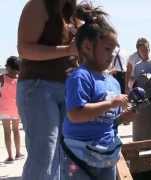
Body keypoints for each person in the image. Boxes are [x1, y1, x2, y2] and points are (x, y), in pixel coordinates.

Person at [62, 4, 136, 180]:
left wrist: (128, 115)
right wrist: (111, 103)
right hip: (78, 155)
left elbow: (111, 120)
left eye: (114, 50)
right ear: (87, 47)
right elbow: (75, 114)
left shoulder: (112, 83)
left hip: (106, 154)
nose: (112, 55)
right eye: (107, 49)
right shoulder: (81, 77)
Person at [17, 0, 78, 179]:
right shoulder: (38, 5)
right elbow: (25, 49)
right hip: (38, 87)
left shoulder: (72, 13)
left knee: (63, 155)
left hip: (67, 88)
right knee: (44, 155)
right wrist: (68, 49)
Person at [0, 56, 24, 163]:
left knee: (6, 132)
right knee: (16, 131)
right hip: (15, 109)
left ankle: (10, 156)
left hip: (4, 109)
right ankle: (18, 153)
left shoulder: (1, 78)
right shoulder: (20, 80)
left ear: (7, 67)